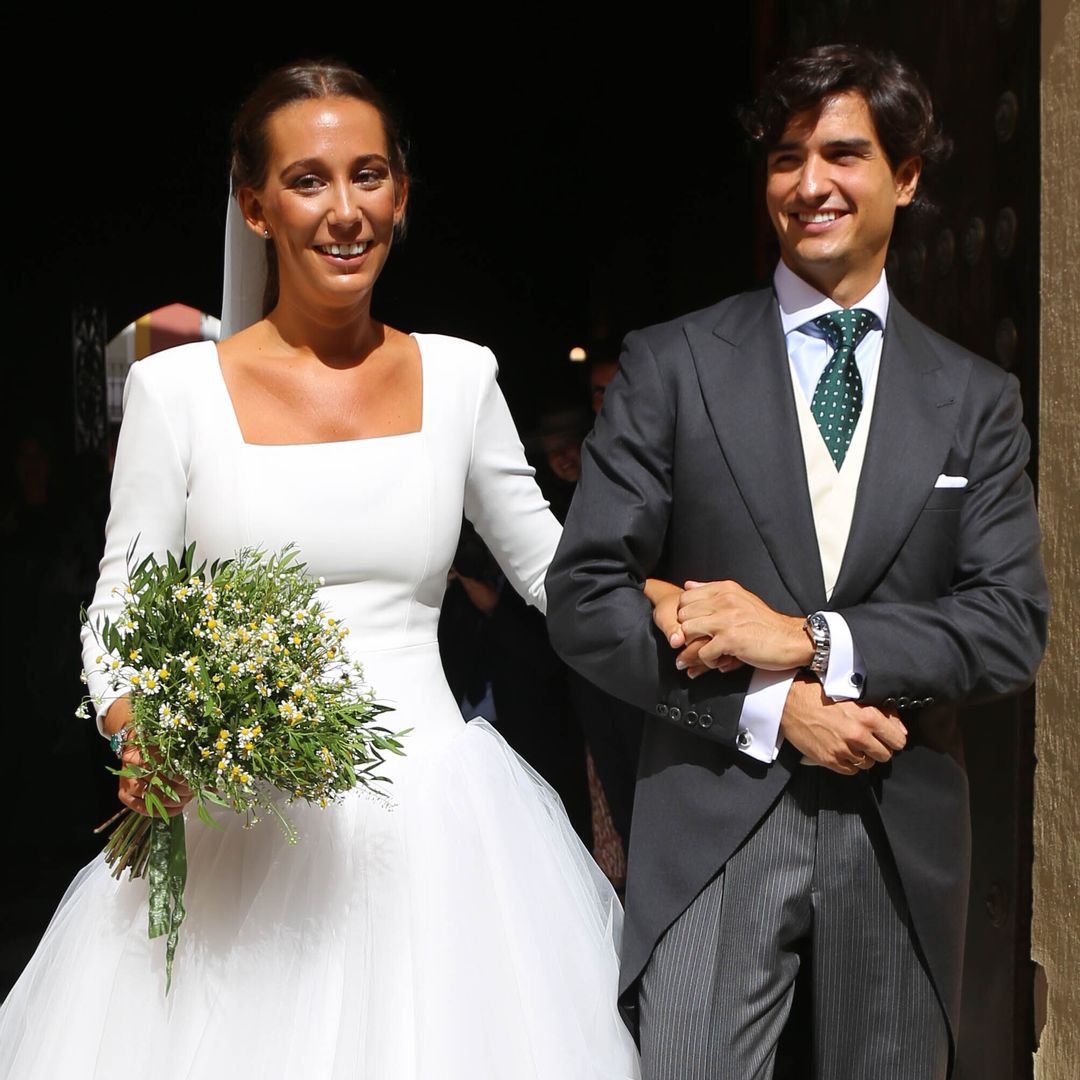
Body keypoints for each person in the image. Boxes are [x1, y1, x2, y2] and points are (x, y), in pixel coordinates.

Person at [0, 61, 640, 1080]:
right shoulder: (178, 395)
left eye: (369, 176)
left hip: (435, 830)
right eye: (307, 181)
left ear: (401, 195)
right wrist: (136, 732)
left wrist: (707, 627)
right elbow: (119, 602)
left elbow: (557, 577)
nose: (345, 212)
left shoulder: (461, 376)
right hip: (238, 829)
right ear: (254, 206)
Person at [546, 44, 1048, 1080]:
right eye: (785, 156)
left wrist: (811, 640)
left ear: (905, 177)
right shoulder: (673, 363)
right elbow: (588, 598)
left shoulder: (976, 399)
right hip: (713, 812)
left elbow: (1008, 625)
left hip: (899, 820)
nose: (809, 181)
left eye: (843, 153)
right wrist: (772, 708)